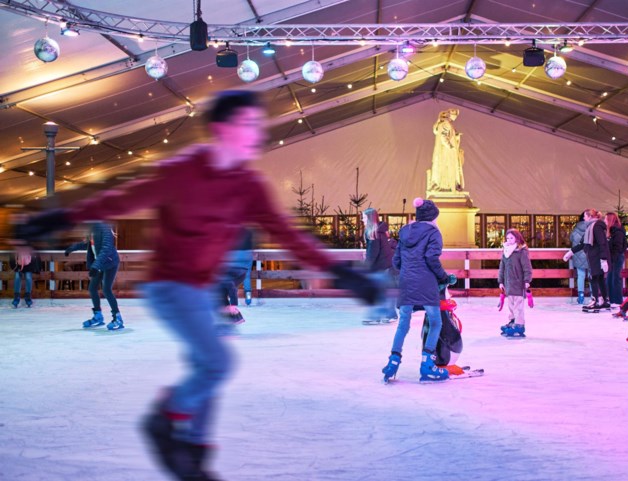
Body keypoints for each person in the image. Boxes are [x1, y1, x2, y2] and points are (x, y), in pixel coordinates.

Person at [12, 90, 378, 481]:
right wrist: (58, 217)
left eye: (258, 125)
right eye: (247, 124)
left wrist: (342, 273)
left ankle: (197, 452)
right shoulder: (184, 169)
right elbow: (120, 199)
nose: (256, 133)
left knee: (207, 363)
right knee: (218, 362)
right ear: (221, 128)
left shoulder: (248, 185)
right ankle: (166, 418)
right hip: (170, 285)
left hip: (202, 288)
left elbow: (288, 235)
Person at [381, 197, 455, 383]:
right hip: (426, 283)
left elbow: (396, 261)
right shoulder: (434, 232)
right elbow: (431, 257)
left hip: (406, 283)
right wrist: (444, 277)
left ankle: (393, 362)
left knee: (403, 324)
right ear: (432, 217)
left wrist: (408, 271)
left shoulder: (404, 231)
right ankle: (427, 365)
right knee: (435, 322)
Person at [64, 222, 123, 330]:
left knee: (106, 289)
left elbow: (106, 248)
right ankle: (98, 316)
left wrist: (95, 266)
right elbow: (86, 244)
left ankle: (118, 318)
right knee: (92, 288)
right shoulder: (92, 228)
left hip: (110, 262)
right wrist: (71, 248)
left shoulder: (104, 227)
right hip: (100, 262)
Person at [563, 209, 610, 310]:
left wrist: (603, 259)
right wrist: (571, 252)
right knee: (600, 278)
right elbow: (583, 243)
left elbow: (602, 243)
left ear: (590, 216)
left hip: (597, 258)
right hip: (594, 257)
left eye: (585, 216)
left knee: (593, 278)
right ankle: (605, 300)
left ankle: (595, 301)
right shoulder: (590, 227)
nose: (583, 218)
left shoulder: (596, 227)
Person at [361, 207, 397, 324]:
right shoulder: (380, 231)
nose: (362, 219)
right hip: (386, 265)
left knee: (380, 292)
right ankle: (389, 315)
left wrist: (366, 267)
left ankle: (379, 316)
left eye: (364, 217)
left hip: (382, 267)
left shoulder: (373, 233)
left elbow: (373, 253)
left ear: (370, 218)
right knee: (385, 291)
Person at [498, 228, 533, 338]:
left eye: (511, 238)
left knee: (518, 306)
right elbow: (502, 268)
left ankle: (519, 325)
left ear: (517, 238)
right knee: (511, 305)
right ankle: (513, 321)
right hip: (509, 283)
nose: (509, 240)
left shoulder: (521, 251)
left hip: (518, 282)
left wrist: (527, 280)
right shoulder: (506, 251)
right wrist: (501, 281)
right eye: (507, 238)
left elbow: (527, 267)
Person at [216, 230, 254, 326]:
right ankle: (236, 316)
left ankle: (235, 315)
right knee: (221, 295)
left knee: (222, 293)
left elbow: (231, 288)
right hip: (241, 260)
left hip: (238, 267)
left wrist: (233, 305)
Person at [427, 109, 465, 192]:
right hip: (446, 152)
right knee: (447, 168)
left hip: (444, 152)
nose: (455, 116)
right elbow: (443, 137)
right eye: (454, 114)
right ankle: (446, 186)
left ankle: (447, 185)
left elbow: (437, 131)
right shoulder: (446, 124)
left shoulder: (444, 124)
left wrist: (456, 136)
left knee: (445, 168)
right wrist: (450, 146)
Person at [605, 212, 627, 305]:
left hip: (616, 258)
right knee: (609, 278)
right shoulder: (611, 231)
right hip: (612, 258)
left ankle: (617, 301)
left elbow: (618, 247)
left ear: (610, 220)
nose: (604, 221)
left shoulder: (618, 232)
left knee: (615, 278)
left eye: (606, 219)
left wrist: (612, 259)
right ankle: (611, 299)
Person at [569, 213, 590, 305]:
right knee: (591, 276)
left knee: (580, 276)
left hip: (578, 254)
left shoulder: (575, 229)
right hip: (589, 254)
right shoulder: (591, 228)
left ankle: (581, 296)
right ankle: (593, 295)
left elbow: (571, 238)